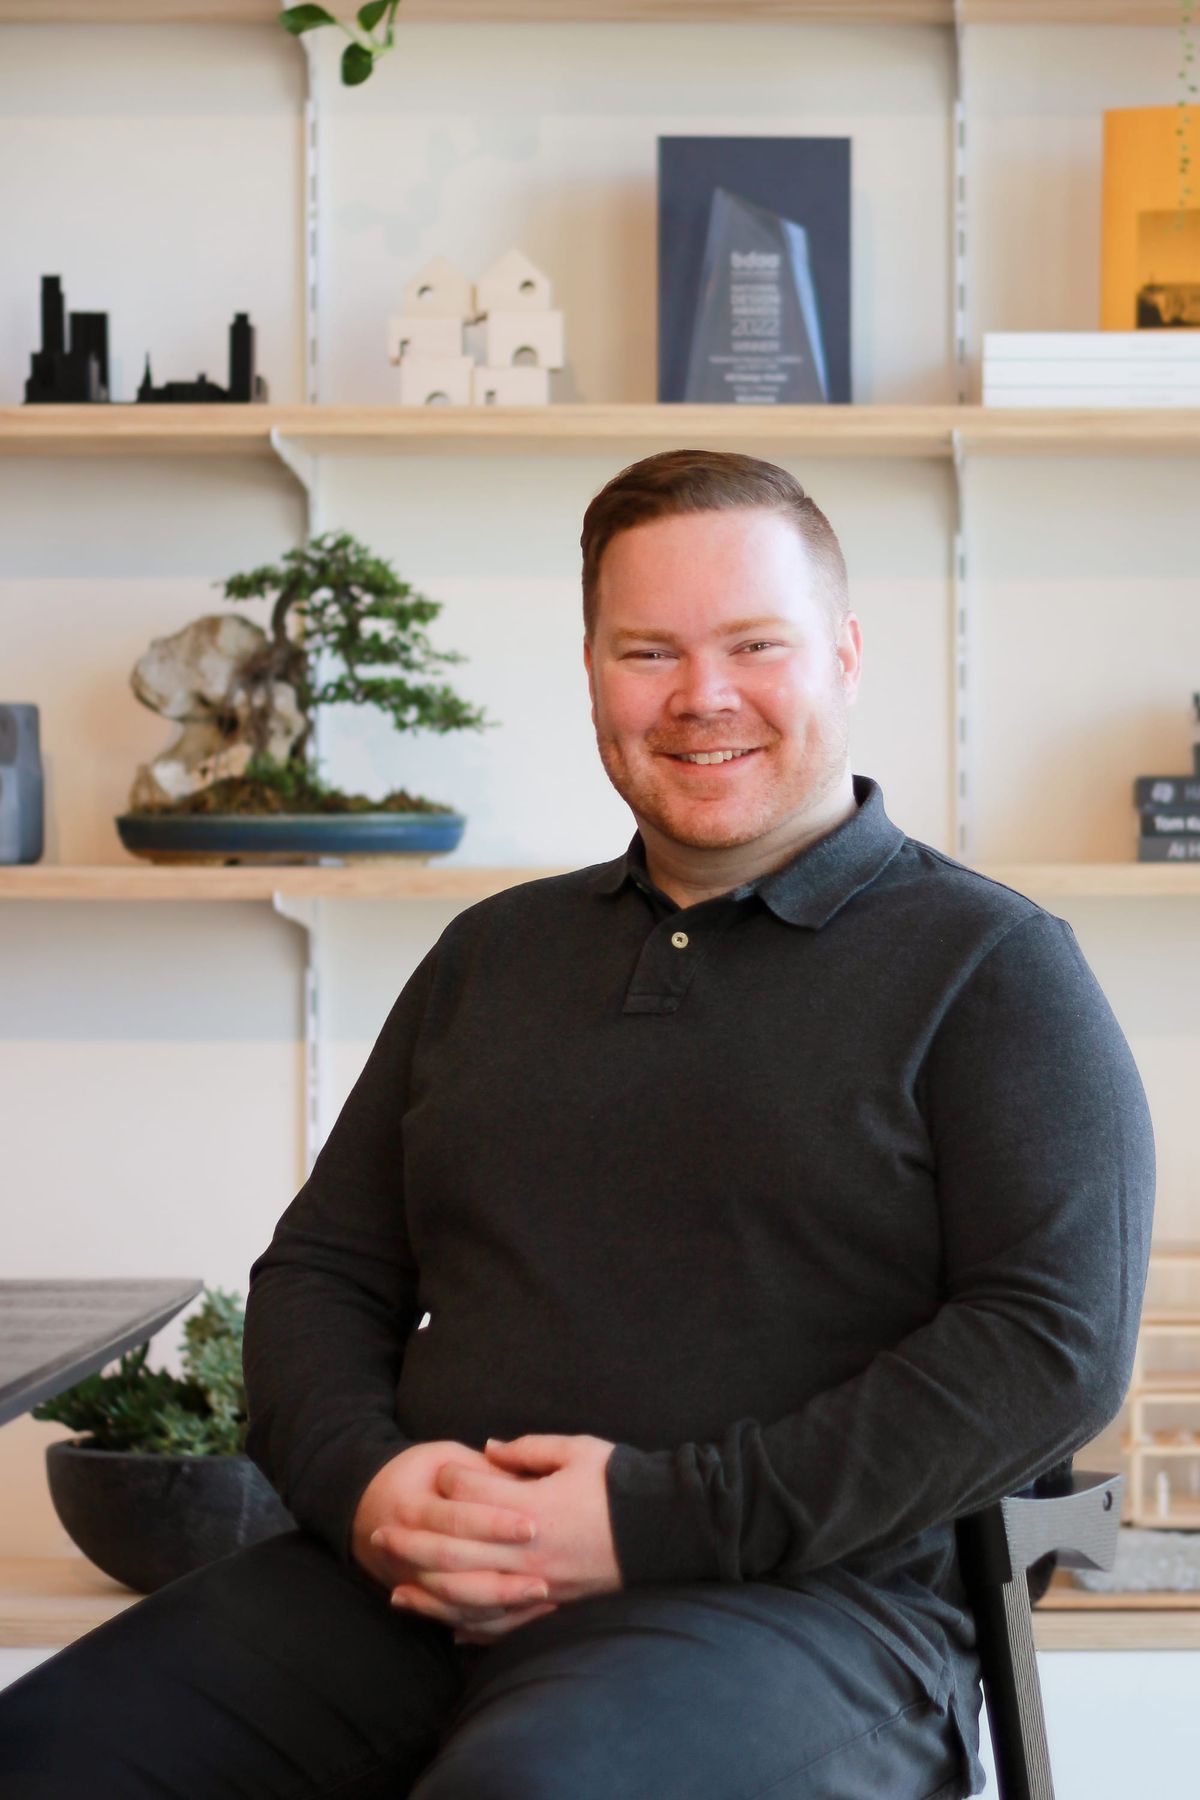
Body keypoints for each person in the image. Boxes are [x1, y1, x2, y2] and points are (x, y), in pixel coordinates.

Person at [0, 449, 1155, 1799]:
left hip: (797, 1612)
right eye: (647, 650)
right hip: (400, 1591)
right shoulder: (491, 959)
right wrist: (373, 1496)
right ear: (594, 671)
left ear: (843, 655)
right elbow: (324, 1277)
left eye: (754, 644)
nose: (701, 694)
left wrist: (639, 1522)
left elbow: (1050, 1349)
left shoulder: (994, 968)